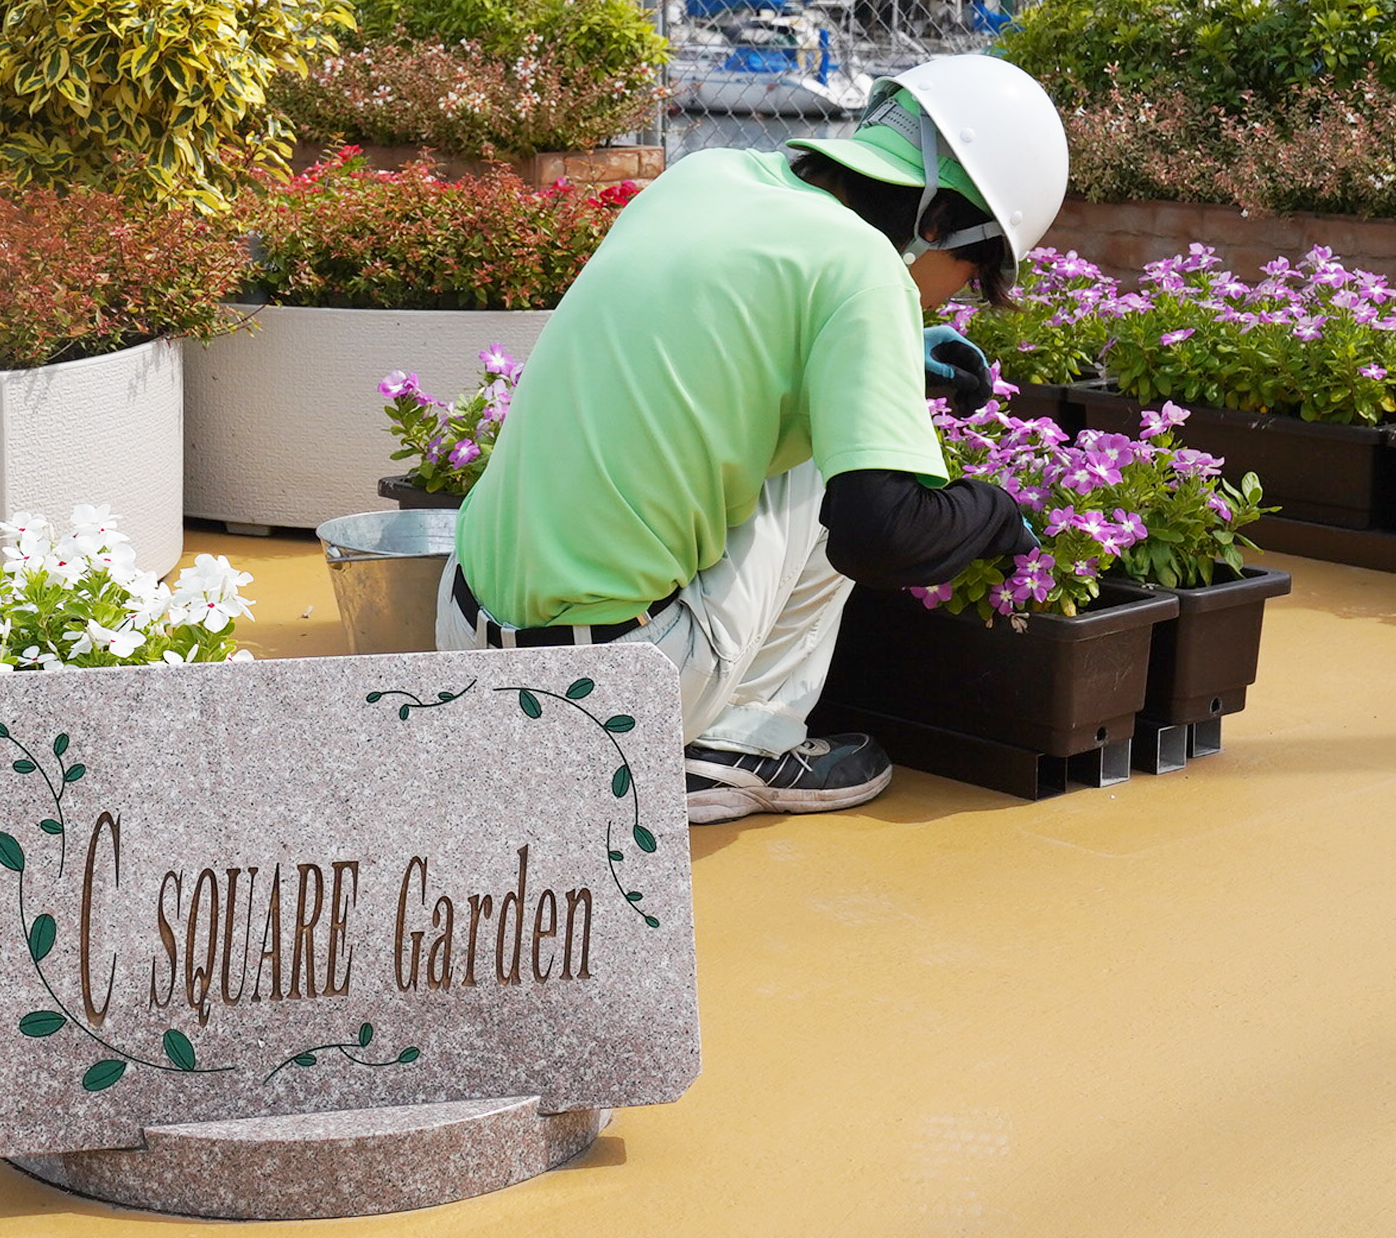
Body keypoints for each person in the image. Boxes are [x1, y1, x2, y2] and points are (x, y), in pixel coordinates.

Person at [444, 56, 1069, 825]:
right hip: (615, 690)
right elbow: (882, 535)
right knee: (841, 477)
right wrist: (994, 514)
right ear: (939, 223)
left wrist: (895, 352)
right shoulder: (865, 264)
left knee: (794, 433)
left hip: (462, 642)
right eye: (969, 275)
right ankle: (737, 747)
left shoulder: (706, 175)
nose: (954, 297)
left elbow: (707, 338)